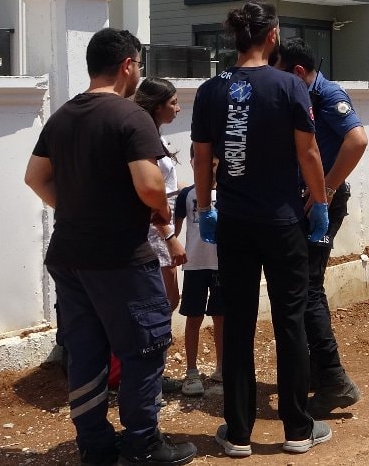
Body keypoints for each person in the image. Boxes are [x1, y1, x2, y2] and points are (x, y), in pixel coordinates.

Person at [24, 28, 195, 466]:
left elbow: (35, 178)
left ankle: (95, 446)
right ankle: (143, 444)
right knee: (144, 347)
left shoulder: (62, 116)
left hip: (69, 255)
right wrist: (160, 210)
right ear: (127, 65)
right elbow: (150, 185)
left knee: (86, 352)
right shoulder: (130, 116)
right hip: (121, 257)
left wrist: (77, 208)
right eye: (139, 64)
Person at [190, 2, 333, 457]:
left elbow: (201, 158)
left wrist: (206, 208)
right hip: (282, 222)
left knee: (238, 323)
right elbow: (308, 153)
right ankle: (297, 430)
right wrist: (320, 205)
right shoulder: (290, 86)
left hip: (234, 223)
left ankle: (237, 434)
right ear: (272, 36)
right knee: (290, 320)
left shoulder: (211, 90)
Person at [272, 37, 368, 418]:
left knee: (308, 287)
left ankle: (333, 379)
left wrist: (324, 189)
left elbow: (357, 140)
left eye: (281, 74)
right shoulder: (301, 96)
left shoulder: (328, 95)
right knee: (306, 285)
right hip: (305, 201)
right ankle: (317, 370)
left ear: (298, 72)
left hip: (321, 204)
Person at [133, 77, 183, 312]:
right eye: (173, 102)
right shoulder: (144, 139)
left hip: (162, 226)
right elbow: (150, 193)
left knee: (168, 299)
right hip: (156, 230)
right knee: (164, 300)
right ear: (157, 106)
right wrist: (169, 237)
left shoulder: (155, 136)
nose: (178, 108)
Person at [171, 181, 225, 397]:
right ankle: (191, 372)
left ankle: (221, 368)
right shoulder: (186, 194)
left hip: (221, 264)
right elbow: (174, 231)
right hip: (194, 264)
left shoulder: (227, 190)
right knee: (193, 318)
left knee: (221, 318)